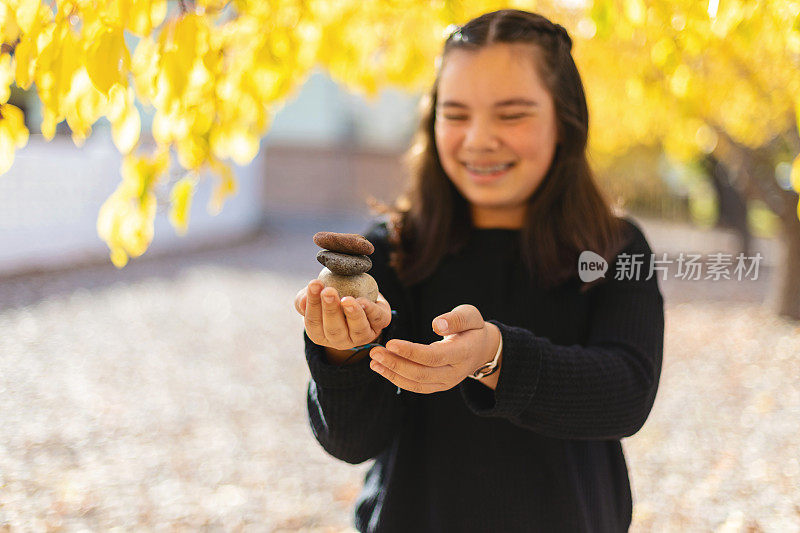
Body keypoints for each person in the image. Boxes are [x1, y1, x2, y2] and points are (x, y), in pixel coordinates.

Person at [293, 9, 664, 532]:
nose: (478, 139)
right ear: (432, 120)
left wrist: (496, 358)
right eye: (456, 113)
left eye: (512, 114)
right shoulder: (392, 252)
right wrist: (341, 354)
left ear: (565, 120)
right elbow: (352, 441)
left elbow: (626, 393)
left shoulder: (614, 248)